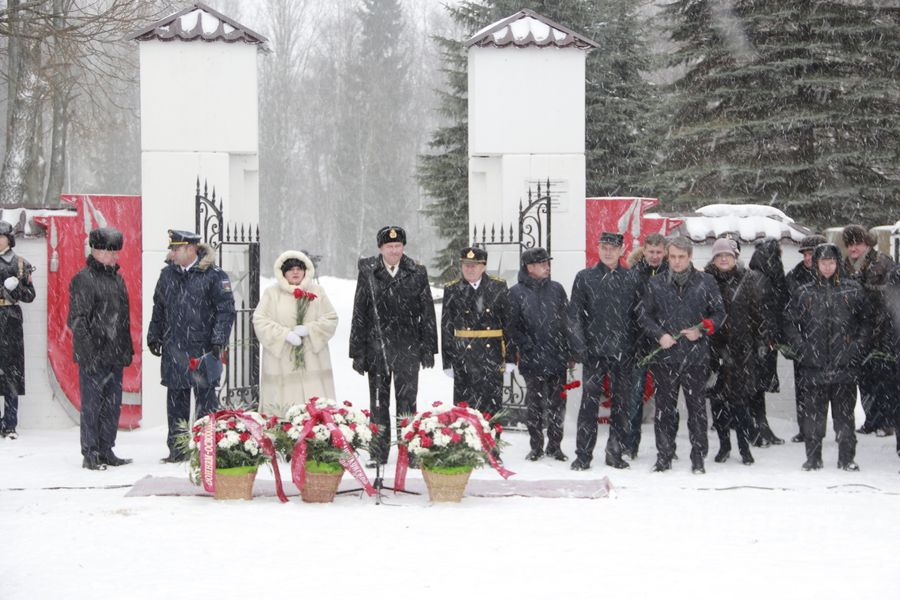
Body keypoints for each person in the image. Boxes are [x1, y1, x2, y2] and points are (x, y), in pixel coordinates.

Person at [350, 226, 437, 467]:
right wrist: (357, 352)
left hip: (408, 347)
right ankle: (378, 453)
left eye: (398, 246)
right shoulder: (368, 272)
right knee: (379, 403)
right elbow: (360, 312)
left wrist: (429, 347)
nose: (394, 251)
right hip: (377, 348)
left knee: (407, 402)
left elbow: (427, 311)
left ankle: (409, 451)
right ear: (380, 249)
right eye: (389, 247)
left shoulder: (416, 272)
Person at [638, 236, 725, 474]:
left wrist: (701, 329)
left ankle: (698, 456)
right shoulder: (655, 284)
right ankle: (664, 455)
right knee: (665, 410)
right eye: (673, 257)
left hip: (696, 358)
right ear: (668, 256)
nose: (676, 262)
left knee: (697, 410)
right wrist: (659, 335)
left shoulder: (706, 282)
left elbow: (719, 313)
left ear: (690, 257)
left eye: (681, 257)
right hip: (665, 359)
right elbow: (644, 316)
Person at [147, 230, 235, 463]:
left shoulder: (214, 276)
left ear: (191, 249)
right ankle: (178, 450)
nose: (172, 253)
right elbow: (159, 308)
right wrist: (154, 335)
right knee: (176, 402)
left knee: (206, 403)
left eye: (176, 249)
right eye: (172, 249)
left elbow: (225, 311)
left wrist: (218, 340)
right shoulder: (167, 275)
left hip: (204, 349)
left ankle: (206, 449)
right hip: (175, 348)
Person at [786, 243, 871, 471]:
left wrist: (856, 347)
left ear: (837, 264)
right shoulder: (804, 292)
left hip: (845, 365)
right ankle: (813, 457)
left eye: (831, 262)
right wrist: (802, 348)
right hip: (813, 365)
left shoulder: (852, 291)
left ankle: (846, 458)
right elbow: (790, 324)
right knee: (814, 416)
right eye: (823, 263)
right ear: (816, 264)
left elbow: (866, 323)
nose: (827, 267)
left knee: (845, 416)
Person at [568, 232, 641, 471]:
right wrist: (580, 347)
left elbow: (639, 316)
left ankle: (615, 452)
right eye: (603, 247)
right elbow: (574, 316)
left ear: (622, 250)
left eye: (613, 247)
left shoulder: (632, 278)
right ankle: (583, 455)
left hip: (624, 352)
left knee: (622, 405)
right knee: (588, 405)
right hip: (594, 353)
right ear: (598, 249)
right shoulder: (585, 277)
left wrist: (636, 347)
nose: (608, 251)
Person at [68, 228, 134, 470]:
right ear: (95, 251)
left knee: (112, 405)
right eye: (110, 252)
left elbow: (123, 319)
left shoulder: (117, 279)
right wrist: (89, 354)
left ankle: (107, 449)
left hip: (114, 354)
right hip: (93, 356)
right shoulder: (83, 279)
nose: (114, 257)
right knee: (92, 405)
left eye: (116, 252)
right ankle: (91, 452)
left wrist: (125, 349)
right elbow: (77, 320)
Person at [252, 250, 338, 417]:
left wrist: (310, 329)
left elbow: (330, 318)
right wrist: (284, 334)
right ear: (283, 273)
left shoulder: (317, 292)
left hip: (313, 359)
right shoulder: (272, 293)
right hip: (282, 361)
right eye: (290, 269)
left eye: (299, 268)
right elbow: (260, 320)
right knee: (283, 410)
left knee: (315, 409)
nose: (295, 272)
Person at [704, 237, 765, 466]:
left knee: (740, 403)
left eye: (727, 255)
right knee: (718, 403)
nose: (723, 259)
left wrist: (760, 342)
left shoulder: (748, 280)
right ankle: (724, 446)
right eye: (719, 255)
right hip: (714, 350)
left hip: (741, 351)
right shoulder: (706, 281)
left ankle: (744, 446)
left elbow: (758, 314)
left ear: (735, 257)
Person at [507, 247, 569, 461]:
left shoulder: (557, 289)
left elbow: (567, 321)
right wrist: (527, 346)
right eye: (542, 263)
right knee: (534, 404)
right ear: (529, 267)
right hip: (532, 358)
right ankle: (536, 446)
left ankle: (555, 445)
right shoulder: (516, 293)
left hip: (557, 356)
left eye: (547, 263)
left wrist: (567, 349)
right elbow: (513, 327)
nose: (547, 267)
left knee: (557, 404)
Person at [442, 246, 516, 418]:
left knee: (492, 408)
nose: (470, 269)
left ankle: (492, 443)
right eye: (466, 265)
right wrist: (447, 362)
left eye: (474, 265)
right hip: (464, 358)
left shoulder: (498, 286)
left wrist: (511, 357)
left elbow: (508, 324)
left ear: (483, 266)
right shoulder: (452, 289)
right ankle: (468, 445)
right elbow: (446, 327)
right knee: (464, 411)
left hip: (492, 356)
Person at [842, 224, 895, 437]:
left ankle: (887, 422)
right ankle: (871, 420)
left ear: (867, 243)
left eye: (858, 243)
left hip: (881, 330)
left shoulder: (881, 262)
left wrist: (867, 290)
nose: (854, 248)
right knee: (864, 380)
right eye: (850, 244)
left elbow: (890, 294)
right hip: (857, 330)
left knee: (884, 380)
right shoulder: (846, 265)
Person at [624, 233, 669, 458]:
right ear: (644, 251)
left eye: (659, 252)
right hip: (638, 343)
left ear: (665, 252)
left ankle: (667, 444)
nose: (654, 256)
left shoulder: (672, 273)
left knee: (667, 398)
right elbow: (628, 309)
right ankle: (631, 445)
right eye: (651, 252)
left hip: (665, 344)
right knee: (634, 397)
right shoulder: (633, 274)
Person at [784, 234, 827, 443]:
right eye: (806, 254)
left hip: (830, 341)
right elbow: (787, 312)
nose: (808, 258)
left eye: (812, 254)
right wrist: (797, 340)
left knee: (831, 388)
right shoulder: (793, 277)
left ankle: (829, 427)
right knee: (803, 389)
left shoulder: (834, 275)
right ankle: (805, 428)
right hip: (804, 340)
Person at [747, 238, 787, 446]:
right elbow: (763, 313)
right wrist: (768, 337)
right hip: (761, 343)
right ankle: (757, 428)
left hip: (762, 342)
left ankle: (759, 427)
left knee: (757, 387)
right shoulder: (763, 279)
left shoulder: (758, 276)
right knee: (756, 387)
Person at [0, 221, 36, 439]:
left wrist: (17, 289)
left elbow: (30, 296)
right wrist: (4, 288)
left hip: (11, 319)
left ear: (9, 239)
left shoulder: (20, 263)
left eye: (2, 236)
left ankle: (11, 423)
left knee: (12, 371)